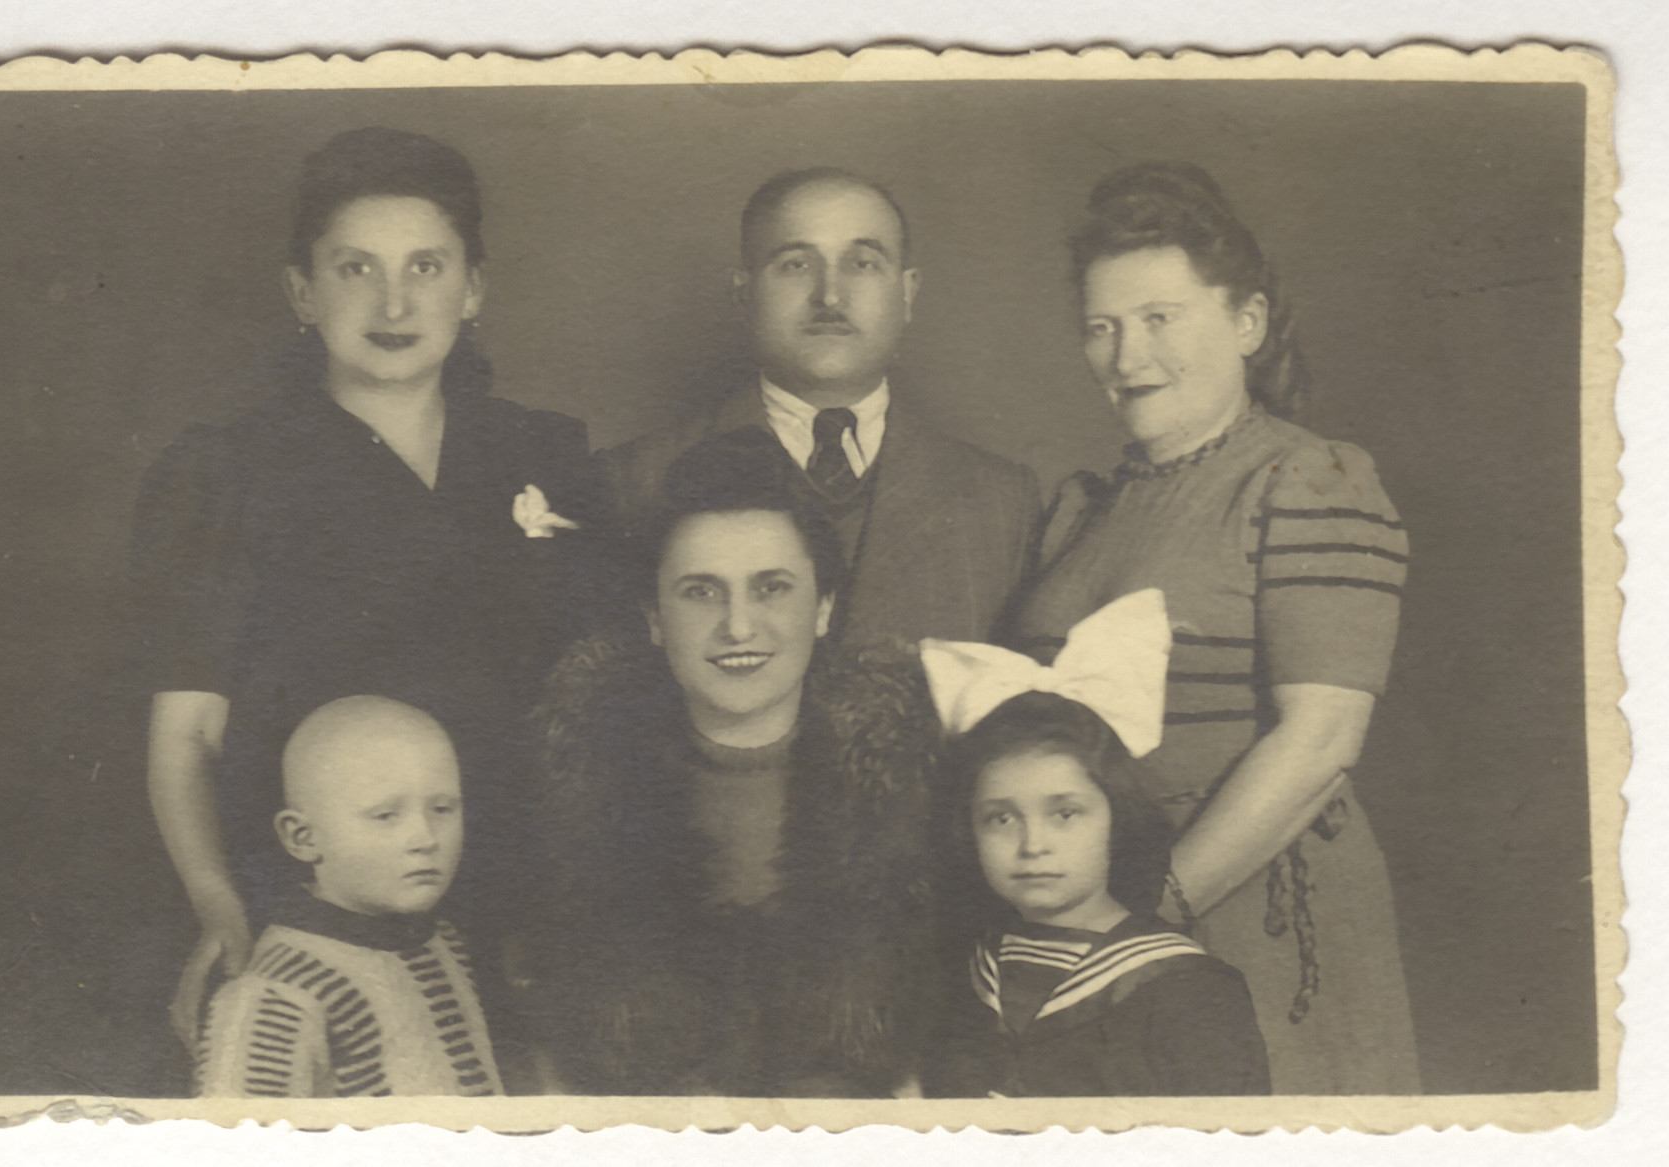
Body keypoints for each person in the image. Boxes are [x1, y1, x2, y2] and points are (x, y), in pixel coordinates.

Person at [130, 127, 605, 1054]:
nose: (395, 301)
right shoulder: (225, 473)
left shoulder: (541, 454)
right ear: (302, 292)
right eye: (356, 269)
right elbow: (183, 736)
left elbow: (595, 698)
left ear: (473, 288)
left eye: (426, 266)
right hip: (312, 904)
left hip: (520, 899)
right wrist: (218, 899)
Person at [1009, 162, 1419, 1093]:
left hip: (1242, 914)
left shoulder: (1308, 479)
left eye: (1160, 318)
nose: (1127, 355)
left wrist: (1146, 916)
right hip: (1091, 912)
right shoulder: (1083, 507)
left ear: (1248, 323)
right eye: (1102, 327)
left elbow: (1321, 740)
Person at [531, 429, 941, 1096]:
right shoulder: (581, 785)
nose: (739, 626)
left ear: (825, 608)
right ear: (654, 617)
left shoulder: (913, 782)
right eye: (701, 591)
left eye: (772, 587)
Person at [603, 167, 1040, 648]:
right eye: (796, 264)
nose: (830, 296)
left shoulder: (1002, 502)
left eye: (863, 263)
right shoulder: (631, 481)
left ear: (907, 292)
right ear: (744, 295)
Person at [919, 590, 1269, 1097]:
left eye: (1065, 814)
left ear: (1116, 815)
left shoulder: (1185, 988)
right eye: (1000, 819)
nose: (1032, 844)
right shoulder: (977, 970)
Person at [197, 696, 504, 1097]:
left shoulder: (442, 943)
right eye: (385, 816)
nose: (426, 839)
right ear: (302, 838)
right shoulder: (278, 993)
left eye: (443, 809)